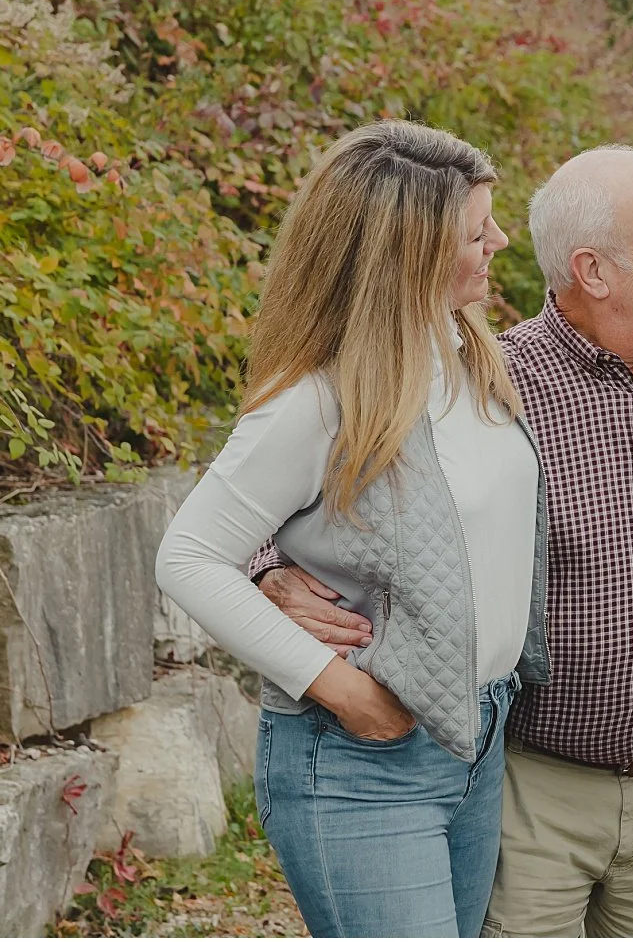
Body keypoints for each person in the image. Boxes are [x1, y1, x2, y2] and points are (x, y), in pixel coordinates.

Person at [259, 146, 633, 940]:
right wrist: (269, 571)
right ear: (593, 269)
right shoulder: (484, 378)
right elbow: (293, 475)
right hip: (529, 785)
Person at [155, 124, 545, 938]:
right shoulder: (319, 398)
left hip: (476, 741)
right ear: (411, 256)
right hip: (361, 762)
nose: (499, 242)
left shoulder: (472, 360)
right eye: (477, 233)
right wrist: (343, 692)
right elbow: (189, 556)